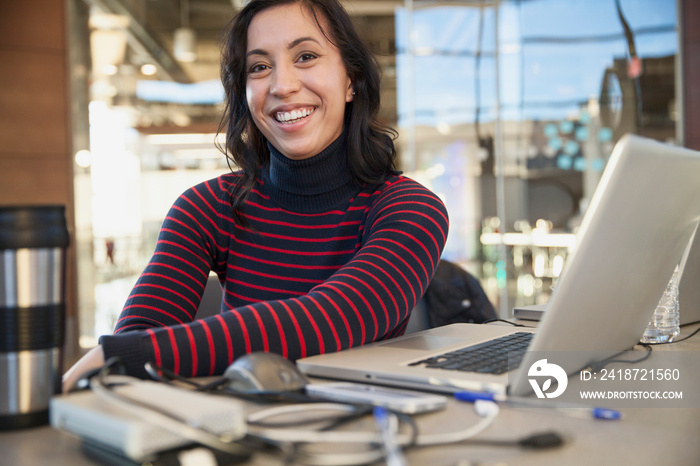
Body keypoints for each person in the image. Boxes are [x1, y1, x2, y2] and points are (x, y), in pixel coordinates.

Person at [63, 0, 449, 391]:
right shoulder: (208, 208)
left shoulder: (409, 209)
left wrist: (133, 354)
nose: (282, 86)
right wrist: (128, 355)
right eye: (259, 67)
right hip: (234, 435)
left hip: (369, 435)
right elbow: (141, 332)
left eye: (306, 56)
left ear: (351, 80)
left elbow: (334, 318)